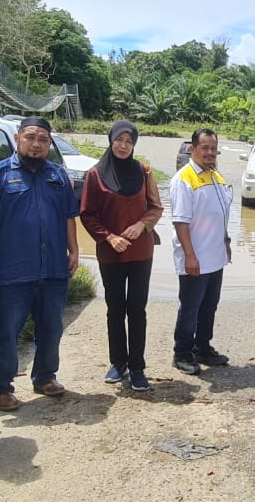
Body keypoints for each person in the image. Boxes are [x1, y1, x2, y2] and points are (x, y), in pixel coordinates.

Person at [0, 116, 80, 411]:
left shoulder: (57, 175)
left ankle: (45, 376)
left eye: (42, 139)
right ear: (17, 139)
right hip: (12, 270)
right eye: (30, 137)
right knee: (6, 332)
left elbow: (68, 215)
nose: (36, 144)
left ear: (49, 143)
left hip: (53, 268)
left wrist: (74, 250)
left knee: (51, 328)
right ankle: (0, 388)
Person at [80, 120, 163, 392]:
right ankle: (118, 363)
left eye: (129, 141)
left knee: (137, 309)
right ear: (111, 140)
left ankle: (137, 367)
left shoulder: (144, 171)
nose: (123, 146)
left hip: (140, 252)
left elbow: (156, 207)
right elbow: (87, 214)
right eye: (119, 140)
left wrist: (142, 225)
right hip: (110, 253)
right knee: (115, 309)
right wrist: (109, 237)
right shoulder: (95, 175)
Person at [168, 128, 232, 375]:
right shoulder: (184, 178)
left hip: (216, 256)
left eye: (213, 148)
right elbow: (180, 221)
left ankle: (203, 348)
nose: (210, 153)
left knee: (209, 306)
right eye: (204, 148)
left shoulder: (215, 175)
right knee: (190, 308)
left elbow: (220, 213)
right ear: (192, 149)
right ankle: (182, 353)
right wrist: (190, 256)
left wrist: (226, 240)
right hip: (195, 258)